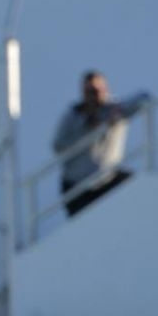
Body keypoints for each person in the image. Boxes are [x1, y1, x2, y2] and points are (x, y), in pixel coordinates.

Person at [51, 71, 148, 216]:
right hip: (77, 186)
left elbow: (144, 98)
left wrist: (115, 115)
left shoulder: (114, 110)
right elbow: (58, 145)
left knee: (136, 190)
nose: (94, 95)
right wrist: (87, 129)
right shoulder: (73, 116)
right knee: (82, 230)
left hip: (107, 180)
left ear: (106, 89)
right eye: (90, 91)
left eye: (98, 90)